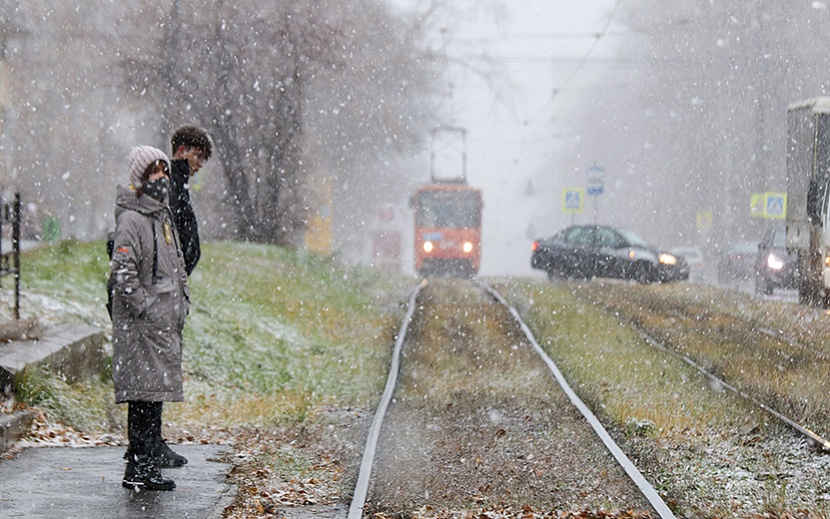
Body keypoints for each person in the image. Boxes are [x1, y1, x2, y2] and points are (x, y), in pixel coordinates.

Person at [110, 145, 190, 491]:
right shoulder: (133, 220)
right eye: (156, 173)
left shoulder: (161, 217)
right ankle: (139, 467)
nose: (163, 178)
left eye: (165, 171)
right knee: (143, 396)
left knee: (152, 393)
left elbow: (177, 264)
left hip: (160, 325)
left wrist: (180, 303)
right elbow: (123, 272)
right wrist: (145, 307)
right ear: (142, 179)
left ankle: (145, 460)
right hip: (142, 327)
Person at [169, 125, 212, 276]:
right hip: (168, 279)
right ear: (182, 151)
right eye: (198, 156)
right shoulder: (171, 185)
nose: (200, 164)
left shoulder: (179, 184)